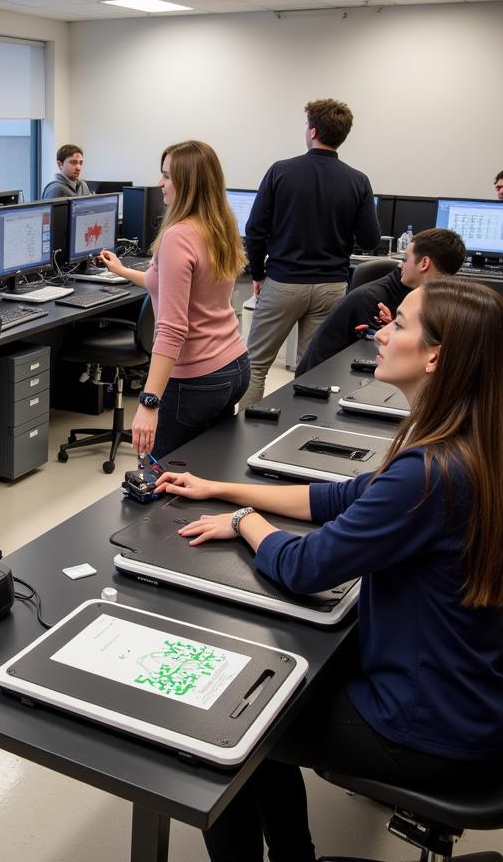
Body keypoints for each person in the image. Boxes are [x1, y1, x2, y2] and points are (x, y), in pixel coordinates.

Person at [155, 278, 503, 862]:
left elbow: (307, 566)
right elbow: (342, 497)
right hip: (474, 704)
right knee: (267, 708)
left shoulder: (430, 473)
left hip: (425, 728)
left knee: (215, 731)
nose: (382, 332)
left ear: (436, 355)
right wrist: (218, 486)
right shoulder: (473, 444)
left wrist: (244, 522)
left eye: (399, 326)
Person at [98, 140, 249, 458]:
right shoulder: (220, 225)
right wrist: (124, 271)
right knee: (207, 469)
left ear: (188, 183)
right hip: (233, 365)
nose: (159, 182)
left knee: (161, 478)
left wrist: (148, 402)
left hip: (196, 378)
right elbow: (180, 288)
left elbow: (172, 328)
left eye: (166, 176)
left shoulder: (178, 236)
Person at [240, 99, 380, 407]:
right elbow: (370, 240)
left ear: (313, 130)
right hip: (331, 287)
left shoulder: (280, 171)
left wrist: (259, 275)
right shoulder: (358, 181)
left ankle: (242, 439)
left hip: (284, 283)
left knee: (256, 365)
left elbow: (254, 230)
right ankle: (298, 435)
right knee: (311, 369)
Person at [295, 227, 465, 375]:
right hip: (322, 379)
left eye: (405, 259)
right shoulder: (372, 299)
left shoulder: (428, 300)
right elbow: (379, 356)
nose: (399, 265)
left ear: (424, 263)